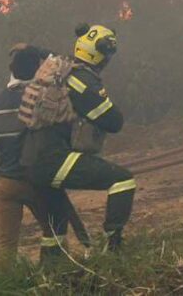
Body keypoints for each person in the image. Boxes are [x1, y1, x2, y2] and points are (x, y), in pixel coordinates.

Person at [0, 44, 80, 265]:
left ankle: (7, 282)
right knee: (55, 234)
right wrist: (36, 49)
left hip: (7, 183)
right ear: (38, 68)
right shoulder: (46, 98)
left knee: (6, 246)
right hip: (40, 182)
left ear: (10, 69)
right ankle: (55, 275)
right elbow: (66, 63)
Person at [20, 23, 136, 251]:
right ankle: (112, 249)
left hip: (30, 162)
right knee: (123, 180)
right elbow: (114, 122)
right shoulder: (83, 82)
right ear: (101, 53)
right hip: (54, 160)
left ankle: (51, 268)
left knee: (55, 231)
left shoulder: (62, 70)